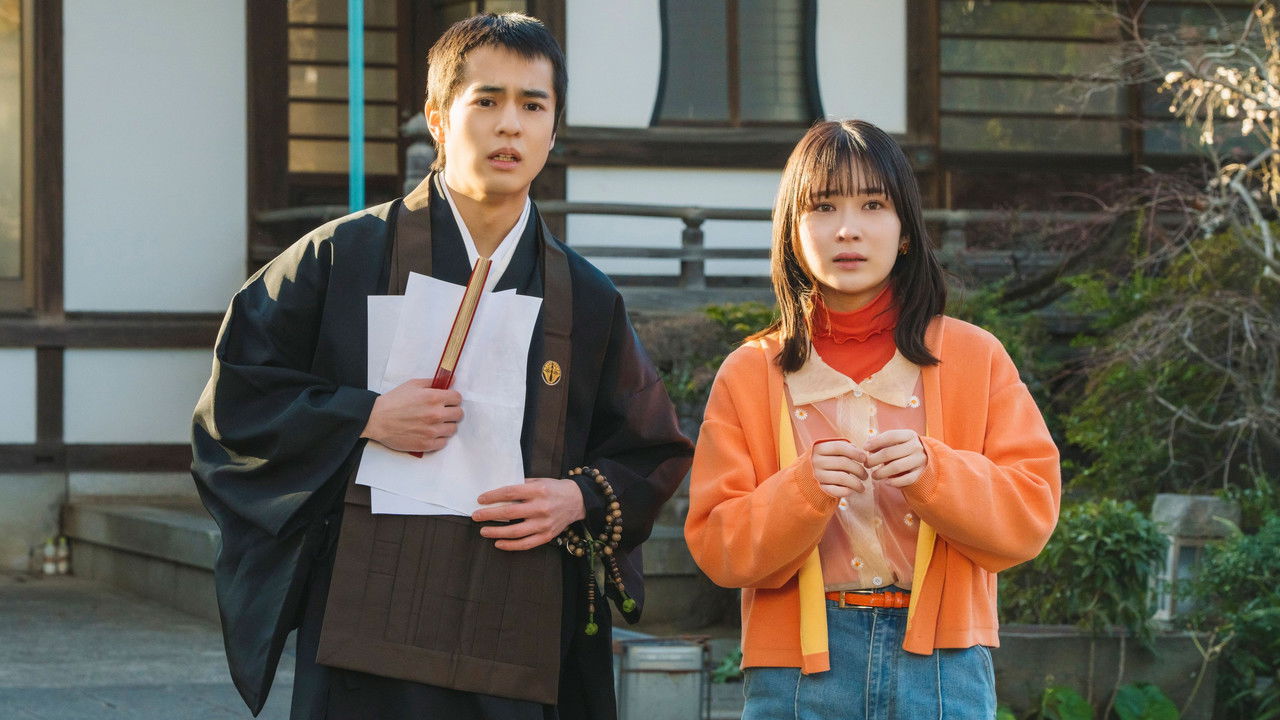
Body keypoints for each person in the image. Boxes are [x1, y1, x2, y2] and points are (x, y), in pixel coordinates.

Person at [192, 13, 692, 720]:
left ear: (554, 128)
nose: (509, 126)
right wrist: (362, 416)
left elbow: (650, 447)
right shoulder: (340, 258)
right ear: (437, 116)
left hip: (519, 625)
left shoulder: (585, 296)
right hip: (370, 619)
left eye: (532, 105)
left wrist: (576, 498)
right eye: (485, 101)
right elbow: (237, 402)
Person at [683, 119, 1061, 720]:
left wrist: (934, 472)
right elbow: (718, 547)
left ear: (906, 230)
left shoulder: (974, 356)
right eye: (824, 205)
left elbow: (1031, 514)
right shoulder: (749, 371)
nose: (848, 228)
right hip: (797, 674)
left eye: (873, 203)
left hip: (944, 665)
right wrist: (803, 490)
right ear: (792, 230)